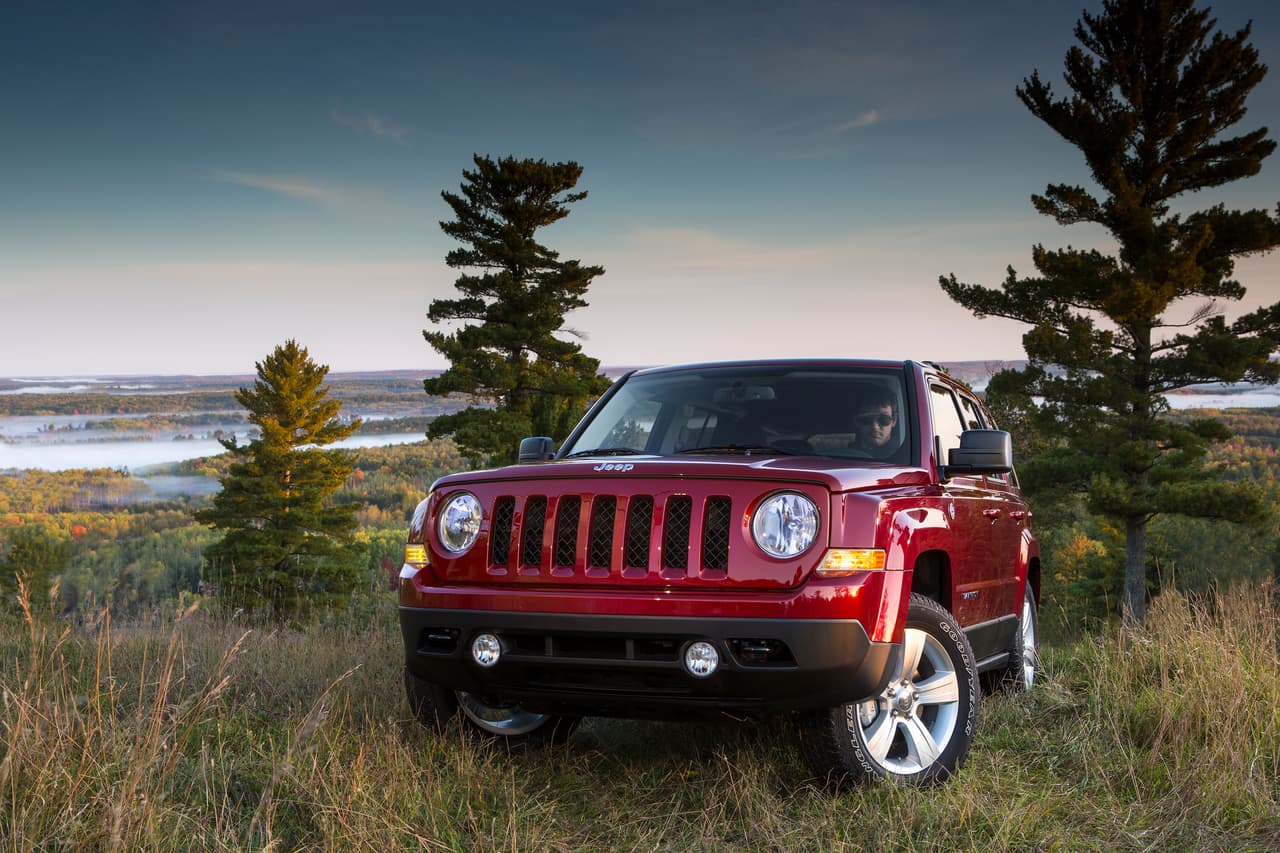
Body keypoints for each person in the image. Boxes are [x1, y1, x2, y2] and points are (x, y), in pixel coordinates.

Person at [852, 389, 900, 459]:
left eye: (883, 419)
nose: (875, 427)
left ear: (894, 420)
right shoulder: (844, 455)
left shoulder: (902, 457)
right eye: (866, 418)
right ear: (856, 420)